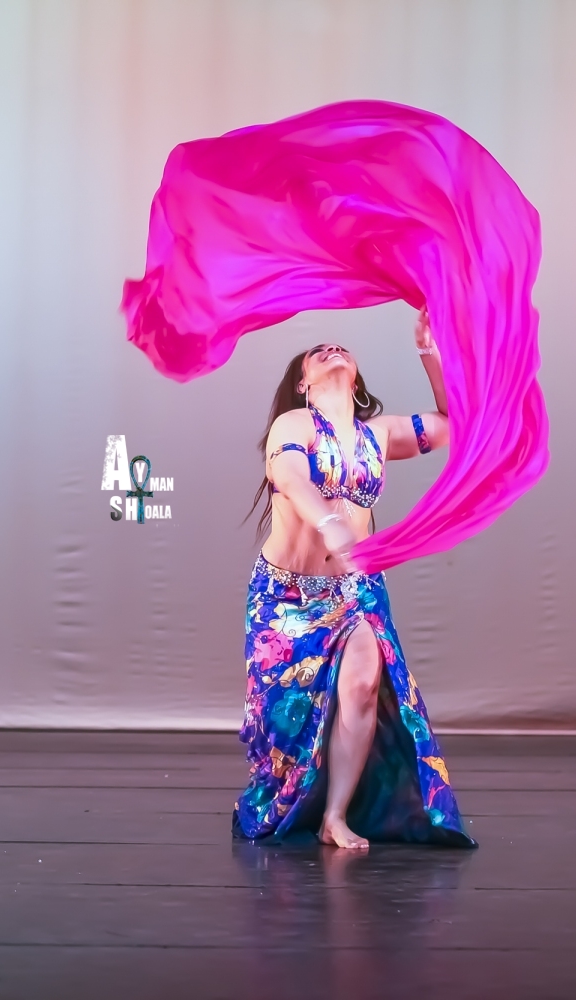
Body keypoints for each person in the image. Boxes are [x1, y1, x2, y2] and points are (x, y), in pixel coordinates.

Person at [233, 308, 476, 850]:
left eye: (340, 347)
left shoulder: (378, 435)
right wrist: (331, 525)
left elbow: (457, 422)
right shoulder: (294, 425)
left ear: (358, 379)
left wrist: (430, 352)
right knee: (286, 727)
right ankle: (296, 798)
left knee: (363, 684)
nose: (332, 350)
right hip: (286, 599)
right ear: (303, 383)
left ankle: (335, 816)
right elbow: (289, 477)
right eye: (317, 352)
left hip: (355, 592)